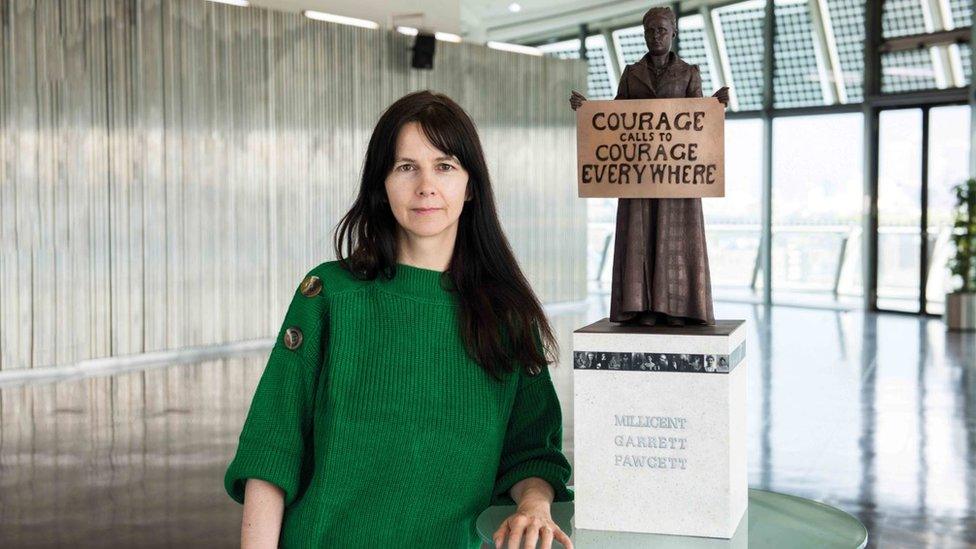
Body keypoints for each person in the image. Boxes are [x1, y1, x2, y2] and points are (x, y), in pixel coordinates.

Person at [223, 90, 574, 549]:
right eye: (406, 167)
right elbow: (273, 451)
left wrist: (533, 505)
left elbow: (532, 453)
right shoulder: (329, 295)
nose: (426, 185)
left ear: (471, 186)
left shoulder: (507, 316)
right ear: (382, 184)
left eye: (444, 166)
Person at [569, 5, 729, 327]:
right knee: (639, 237)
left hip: (675, 178)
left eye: (661, 30)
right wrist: (588, 111)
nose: (655, 36)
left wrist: (714, 104)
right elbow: (615, 122)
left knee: (675, 237)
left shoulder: (688, 73)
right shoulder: (631, 73)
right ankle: (640, 306)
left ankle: (677, 308)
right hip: (639, 175)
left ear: (673, 33)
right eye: (649, 31)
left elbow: (697, 123)